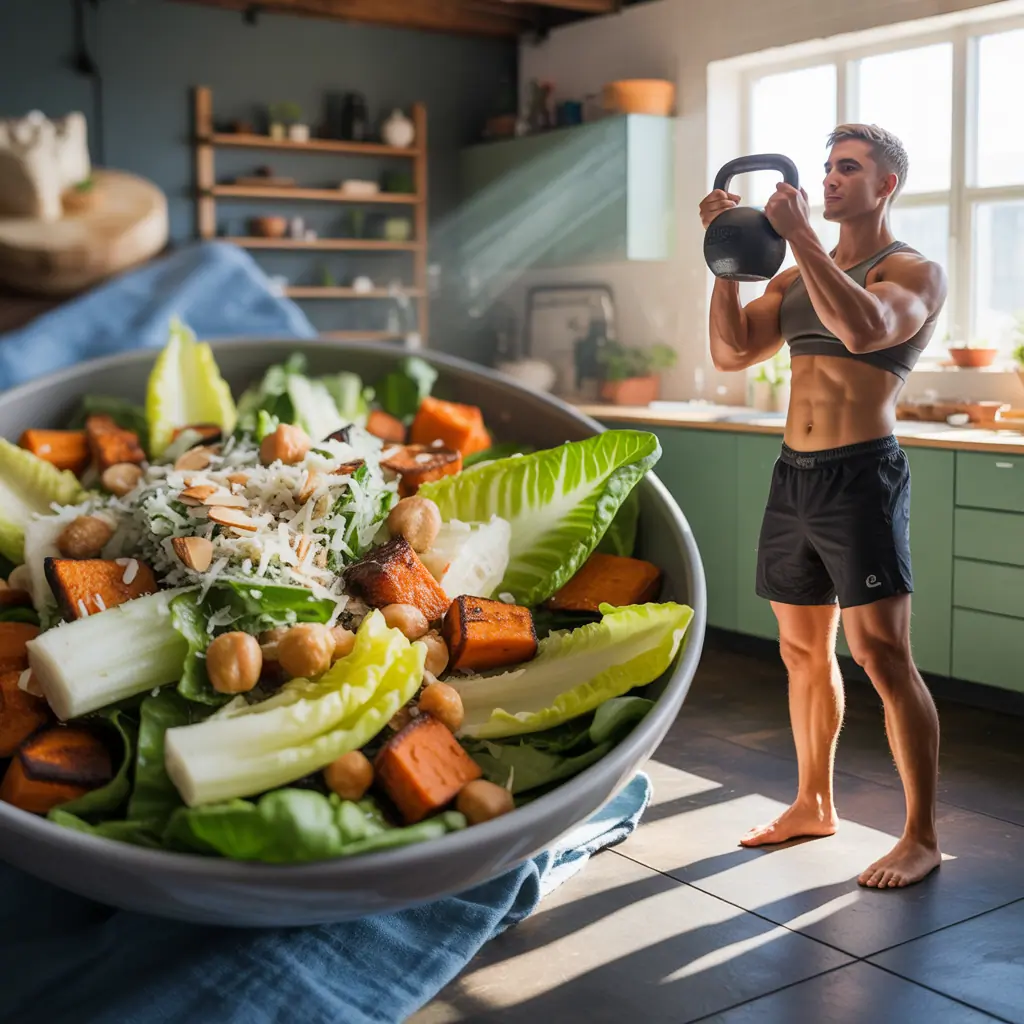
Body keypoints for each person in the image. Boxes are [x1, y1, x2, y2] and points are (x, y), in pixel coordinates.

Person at [698, 124, 948, 889]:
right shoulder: (793, 275)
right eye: (828, 168)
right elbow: (733, 352)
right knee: (802, 652)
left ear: (886, 185)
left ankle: (921, 835)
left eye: (849, 169)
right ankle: (812, 801)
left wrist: (801, 236)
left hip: (861, 478)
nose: (832, 178)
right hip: (794, 477)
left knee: (882, 656)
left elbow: (865, 328)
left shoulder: (911, 270)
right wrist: (728, 258)